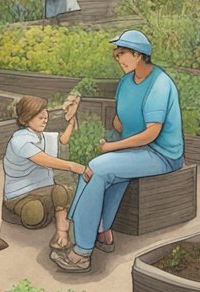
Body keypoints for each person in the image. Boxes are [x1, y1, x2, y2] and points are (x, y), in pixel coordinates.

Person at [52, 30, 184, 272]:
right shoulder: (125, 82)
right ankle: (102, 231)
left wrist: (112, 147)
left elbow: (151, 133)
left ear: (138, 54)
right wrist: (110, 133)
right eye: (116, 53)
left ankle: (82, 251)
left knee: (97, 168)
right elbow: (120, 122)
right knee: (102, 172)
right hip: (135, 148)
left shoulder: (160, 84)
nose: (116, 57)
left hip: (161, 153)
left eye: (121, 53)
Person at [3, 95, 86, 250]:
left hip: (43, 189)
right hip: (19, 194)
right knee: (33, 212)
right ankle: (51, 210)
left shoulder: (42, 136)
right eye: (38, 115)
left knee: (61, 192)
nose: (44, 118)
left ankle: (62, 233)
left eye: (44, 114)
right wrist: (73, 166)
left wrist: (71, 119)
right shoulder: (20, 140)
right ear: (26, 118)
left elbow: (62, 140)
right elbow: (43, 159)